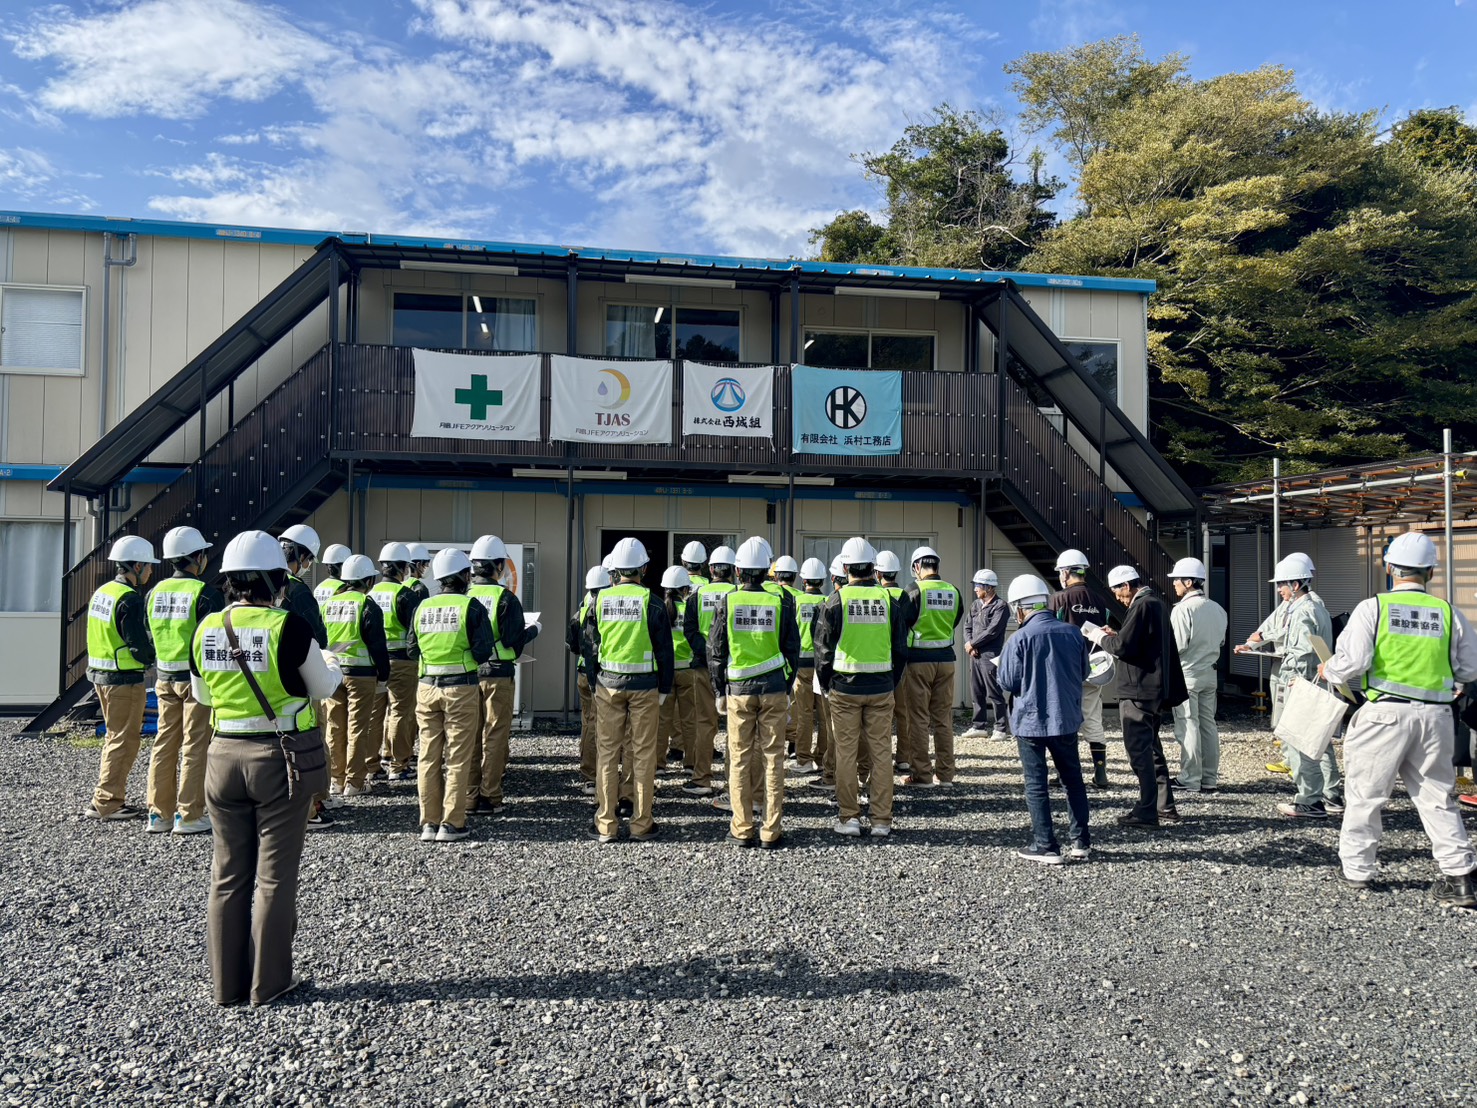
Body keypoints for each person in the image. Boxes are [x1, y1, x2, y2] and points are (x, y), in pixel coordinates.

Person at [190, 530, 340, 1007]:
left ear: (230, 581)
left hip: (221, 757)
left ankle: (225, 987)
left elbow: (202, 697)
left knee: (227, 874)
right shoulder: (288, 626)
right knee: (274, 877)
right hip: (278, 761)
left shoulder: (206, 627)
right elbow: (322, 689)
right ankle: (269, 984)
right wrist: (331, 662)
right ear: (277, 579)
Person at [1322, 532, 1477, 907]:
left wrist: (1330, 670)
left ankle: (1358, 869)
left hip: (1384, 715)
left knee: (1366, 794)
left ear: (1389, 567)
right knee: (1438, 796)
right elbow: (1469, 668)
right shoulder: (1448, 612)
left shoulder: (1372, 608)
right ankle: (1460, 878)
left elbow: (1353, 663)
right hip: (1437, 717)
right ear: (1430, 572)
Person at [707, 538, 801, 848]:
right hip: (774, 688)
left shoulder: (728, 602)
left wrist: (719, 690)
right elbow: (792, 648)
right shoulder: (782, 601)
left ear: (737, 571)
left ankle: (742, 828)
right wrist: (787, 687)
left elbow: (717, 650)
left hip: (739, 693)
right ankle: (771, 831)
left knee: (740, 758)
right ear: (767, 573)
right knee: (773, 759)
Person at [815, 537, 908, 838]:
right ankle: (882, 820)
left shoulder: (836, 601)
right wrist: (890, 682)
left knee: (846, 753)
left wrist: (828, 685)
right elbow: (900, 649)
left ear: (845, 567)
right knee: (881, 753)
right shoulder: (888, 601)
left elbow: (823, 651)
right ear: (873, 567)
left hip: (845, 688)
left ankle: (849, 817)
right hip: (881, 686)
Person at [1238, 554, 1344, 819]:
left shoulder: (1304, 610)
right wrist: (1253, 643)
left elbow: (1300, 651)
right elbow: (1270, 630)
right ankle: (1330, 795)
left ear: (1297, 584)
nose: (1279, 589)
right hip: (1312, 679)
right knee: (1318, 741)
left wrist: (1292, 675)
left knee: (1301, 741)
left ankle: (1310, 799)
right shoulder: (1308, 607)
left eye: (1282, 584)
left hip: (1300, 680)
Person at [584, 537, 675, 843]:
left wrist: (595, 679)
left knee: (607, 753)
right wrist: (664, 687)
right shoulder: (653, 603)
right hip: (645, 688)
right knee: (643, 753)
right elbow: (665, 651)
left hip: (608, 686)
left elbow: (590, 646)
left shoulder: (600, 601)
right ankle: (641, 824)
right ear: (644, 569)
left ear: (617, 570)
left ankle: (606, 824)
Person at [997, 574, 1092, 863]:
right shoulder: (1073, 634)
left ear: (1022, 608)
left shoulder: (1019, 638)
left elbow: (1007, 681)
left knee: (1036, 783)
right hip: (1066, 717)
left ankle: (1045, 845)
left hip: (1030, 720)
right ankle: (1081, 842)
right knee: (1073, 779)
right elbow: (1085, 672)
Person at [406, 548, 494, 842]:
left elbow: (410, 648)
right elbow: (483, 651)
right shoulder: (471, 607)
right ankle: (452, 824)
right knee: (457, 756)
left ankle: (428, 823)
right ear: (464, 576)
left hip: (427, 688)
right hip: (461, 688)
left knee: (428, 756)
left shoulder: (422, 608)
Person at [1090, 566, 1188, 828]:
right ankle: (1164, 805)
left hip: (1137, 690)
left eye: (1117, 591)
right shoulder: (1156, 604)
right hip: (1154, 689)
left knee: (1139, 752)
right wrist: (1117, 634)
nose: (1117, 597)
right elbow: (1137, 641)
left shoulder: (1141, 605)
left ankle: (1147, 811)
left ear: (1127, 586)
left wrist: (1100, 636)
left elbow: (1123, 648)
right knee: (1152, 749)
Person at [145, 526, 224, 835]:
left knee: (164, 742)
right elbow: (216, 639)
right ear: (197, 558)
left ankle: (158, 814)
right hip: (196, 680)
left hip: (164, 677)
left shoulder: (154, 593)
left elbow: (150, 633)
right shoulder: (205, 594)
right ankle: (189, 815)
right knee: (195, 744)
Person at [83, 535, 159, 822]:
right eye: (149, 566)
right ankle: (107, 802)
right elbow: (137, 645)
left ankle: (107, 798)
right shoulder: (129, 599)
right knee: (123, 741)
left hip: (101, 676)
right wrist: (154, 657)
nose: (151, 571)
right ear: (137, 566)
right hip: (123, 680)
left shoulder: (103, 592)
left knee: (116, 737)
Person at [468, 534, 539, 815]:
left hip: (469, 675)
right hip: (499, 674)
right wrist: (533, 630)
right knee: (495, 734)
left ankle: (469, 796)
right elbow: (513, 640)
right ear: (499, 566)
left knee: (470, 736)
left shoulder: (464, 597)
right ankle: (490, 796)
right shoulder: (506, 598)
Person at [319, 554, 390, 798]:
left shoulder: (329, 604)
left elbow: (321, 639)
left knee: (335, 727)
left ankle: (336, 781)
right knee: (358, 727)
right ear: (367, 580)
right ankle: (355, 781)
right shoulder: (367, 605)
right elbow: (377, 645)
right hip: (362, 675)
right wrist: (384, 673)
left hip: (333, 671)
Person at [280, 524, 334, 831]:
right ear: (298, 554)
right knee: (308, 739)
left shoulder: (259, 583)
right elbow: (318, 635)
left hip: (263, 678)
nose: (307, 566)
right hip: (299, 676)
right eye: (307, 559)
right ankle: (312, 805)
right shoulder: (297, 590)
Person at [901, 545, 964, 788]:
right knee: (943, 718)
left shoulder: (914, 590)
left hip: (918, 662)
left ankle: (922, 775)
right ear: (936, 566)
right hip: (946, 661)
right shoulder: (953, 591)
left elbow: (902, 624)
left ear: (917, 567)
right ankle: (946, 775)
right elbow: (955, 620)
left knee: (918, 718)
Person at [1049, 549, 1112, 789]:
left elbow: (1051, 632)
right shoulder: (1099, 600)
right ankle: (1100, 774)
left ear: (1065, 572)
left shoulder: (1059, 599)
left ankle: (1065, 773)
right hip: (1095, 668)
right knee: (1093, 718)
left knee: (1065, 721)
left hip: (1065, 670)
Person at [1168, 557, 1228, 794]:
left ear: (1189, 581)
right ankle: (1209, 779)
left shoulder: (1183, 610)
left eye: (1177, 580)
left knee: (1188, 725)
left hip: (1187, 674)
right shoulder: (1218, 609)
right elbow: (1221, 641)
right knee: (1208, 726)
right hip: (1210, 674)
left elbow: (1178, 645)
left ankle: (1190, 778)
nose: (1174, 584)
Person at [370, 541, 423, 785]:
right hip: (402, 661)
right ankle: (398, 764)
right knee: (401, 712)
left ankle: (373, 764)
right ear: (402, 568)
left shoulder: (369, 594)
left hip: (374, 662)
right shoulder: (405, 594)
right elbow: (415, 630)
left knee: (375, 713)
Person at [685, 544, 737, 784]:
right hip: (733, 668)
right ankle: (732, 781)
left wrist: (707, 652)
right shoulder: (738, 595)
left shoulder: (697, 595)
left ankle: (701, 778)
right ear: (733, 569)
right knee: (736, 727)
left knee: (705, 722)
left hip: (703, 667)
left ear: (711, 568)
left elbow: (690, 630)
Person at [661, 566, 712, 796]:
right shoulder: (692, 607)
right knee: (690, 720)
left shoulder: (660, 609)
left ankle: (658, 766)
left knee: (662, 720)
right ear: (685, 589)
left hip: (665, 671)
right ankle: (691, 764)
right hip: (688, 670)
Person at [568, 565, 610, 796]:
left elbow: (573, 644)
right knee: (603, 726)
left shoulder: (582, 608)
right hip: (600, 675)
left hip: (583, 672)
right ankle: (598, 777)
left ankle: (588, 776)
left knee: (588, 723)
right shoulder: (605, 607)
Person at [788, 557, 829, 774]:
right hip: (821, 663)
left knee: (803, 712)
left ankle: (803, 759)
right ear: (822, 580)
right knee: (824, 714)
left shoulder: (796, 602)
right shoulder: (829, 600)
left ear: (803, 580)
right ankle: (822, 758)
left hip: (801, 663)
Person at [875, 550, 914, 774]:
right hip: (903, 658)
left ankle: (879, 756)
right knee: (903, 710)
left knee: (879, 714)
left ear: (878, 573)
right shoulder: (906, 594)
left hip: (880, 659)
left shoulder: (876, 595)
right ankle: (904, 758)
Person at [962, 568, 1010, 740]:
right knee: (976, 691)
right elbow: (967, 626)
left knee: (994, 691)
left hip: (990, 655)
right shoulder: (975, 605)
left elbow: (993, 631)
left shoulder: (1001, 606)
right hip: (974, 654)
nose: (975, 588)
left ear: (989, 588)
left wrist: (973, 643)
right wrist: (969, 643)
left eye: (978, 585)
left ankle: (1001, 728)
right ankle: (979, 726)